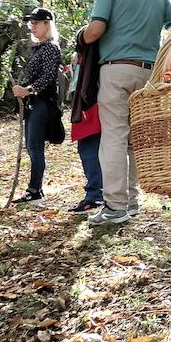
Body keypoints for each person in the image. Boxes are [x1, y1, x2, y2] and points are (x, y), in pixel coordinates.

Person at [80, 0, 171, 225]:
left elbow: (95, 31)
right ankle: (132, 202)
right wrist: (168, 64)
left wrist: (83, 35)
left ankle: (115, 207)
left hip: (116, 70)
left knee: (113, 136)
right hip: (148, 74)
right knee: (132, 140)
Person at [9, 7, 64, 205]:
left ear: (47, 24)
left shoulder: (50, 47)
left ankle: (35, 191)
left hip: (42, 102)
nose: (31, 26)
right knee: (32, 147)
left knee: (35, 147)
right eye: (30, 23)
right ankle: (34, 190)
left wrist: (28, 90)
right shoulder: (42, 47)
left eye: (35, 22)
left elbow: (49, 78)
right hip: (35, 103)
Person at [67, 27, 103, 213]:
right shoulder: (88, 55)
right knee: (90, 150)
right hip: (88, 104)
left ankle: (95, 196)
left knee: (91, 150)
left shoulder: (92, 53)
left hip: (91, 105)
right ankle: (96, 194)